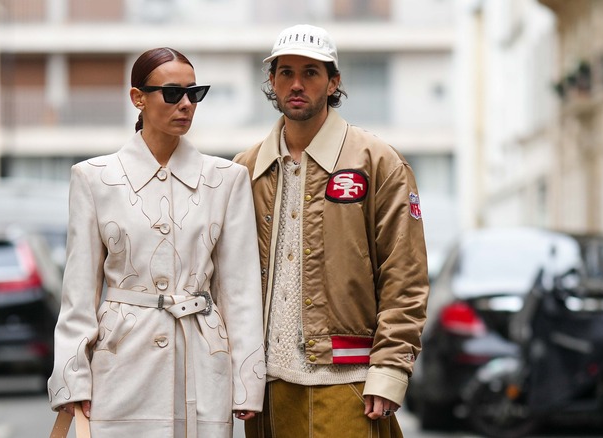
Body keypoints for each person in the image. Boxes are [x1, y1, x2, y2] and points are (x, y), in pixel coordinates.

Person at [47, 47, 266, 438]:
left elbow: (240, 292)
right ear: (138, 98)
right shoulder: (94, 178)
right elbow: (78, 294)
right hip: (119, 366)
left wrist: (247, 382)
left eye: (194, 93)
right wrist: (72, 378)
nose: (186, 104)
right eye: (172, 93)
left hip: (203, 365)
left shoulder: (226, 179)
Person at [233, 24, 430, 438]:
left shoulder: (378, 161)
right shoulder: (244, 169)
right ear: (271, 81)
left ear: (333, 81)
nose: (297, 84)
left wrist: (390, 370)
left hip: (349, 381)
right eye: (286, 73)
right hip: (265, 387)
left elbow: (405, 275)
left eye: (311, 72)